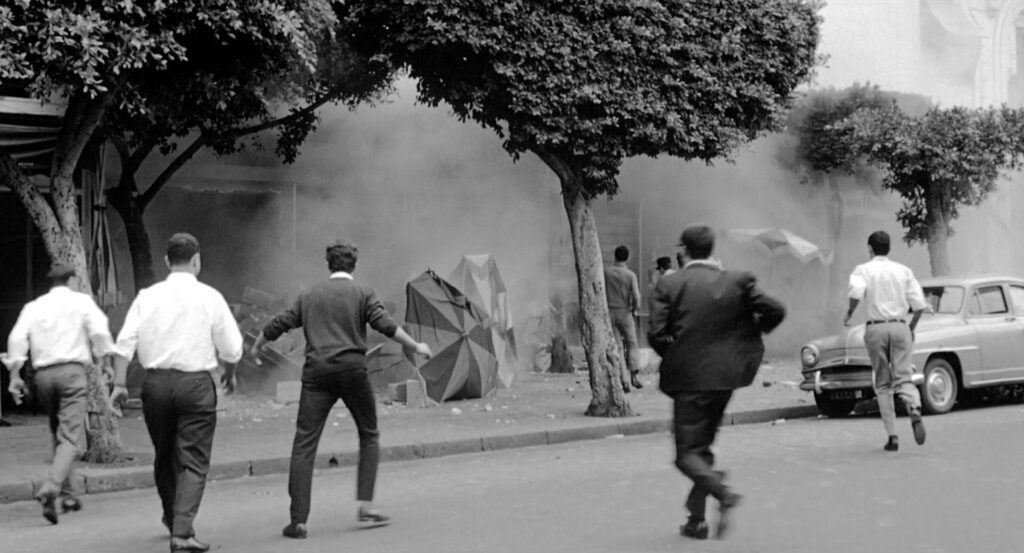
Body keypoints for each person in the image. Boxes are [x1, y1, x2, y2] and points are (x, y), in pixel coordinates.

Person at [250, 239, 433, 540]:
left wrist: (257, 344)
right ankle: (366, 506)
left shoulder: (309, 295)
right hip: (353, 373)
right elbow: (385, 325)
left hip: (316, 375)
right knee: (369, 434)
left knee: (304, 444)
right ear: (353, 265)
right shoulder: (363, 293)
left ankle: (298, 521)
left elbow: (281, 323)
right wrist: (416, 345)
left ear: (329, 264)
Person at [648, 225, 785, 540]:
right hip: (727, 378)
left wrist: (679, 353)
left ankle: (723, 494)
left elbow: (656, 334)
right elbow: (775, 310)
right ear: (710, 249)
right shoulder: (738, 280)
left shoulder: (670, 284)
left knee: (686, 455)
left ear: (683, 250)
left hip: (690, 380)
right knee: (702, 449)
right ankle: (696, 521)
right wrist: (750, 333)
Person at [108, 233, 242, 553]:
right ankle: (182, 532)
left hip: (154, 387)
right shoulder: (210, 297)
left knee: (165, 455)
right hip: (196, 386)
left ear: (167, 261)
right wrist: (230, 376)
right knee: (193, 460)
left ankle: (172, 518)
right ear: (197, 260)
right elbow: (233, 348)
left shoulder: (147, 297)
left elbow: (124, 343)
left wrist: (119, 384)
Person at [2, 263, 116, 525]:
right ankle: (51, 487)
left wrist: (15, 374)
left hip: (43, 377)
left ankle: (68, 495)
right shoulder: (81, 302)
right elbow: (99, 332)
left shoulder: (34, 306)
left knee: (58, 433)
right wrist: (105, 361)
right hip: (72, 374)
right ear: (72, 281)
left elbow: (17, 338)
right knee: (70, 438)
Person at [843, 230, 931, 452]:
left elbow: (856, 293)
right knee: (904, 377)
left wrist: (849, 314)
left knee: (883, 383)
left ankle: (892, 437)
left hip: (876, 328)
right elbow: (919, 305)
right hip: (901, 326)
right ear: (889, 248)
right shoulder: (903, 270)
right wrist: (909, 328)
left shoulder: (863, 270)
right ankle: (914, 408)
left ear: (870, 248)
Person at [604, 245, 643, 390]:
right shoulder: (630, 275)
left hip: (609, 311)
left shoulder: (606, 272)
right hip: (625, 312)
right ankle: (634, 375)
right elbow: (637, 297)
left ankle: (624, 380)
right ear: (628, 257)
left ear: (615, 256)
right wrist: (634, 309)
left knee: (618, 347)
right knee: (632, 343)